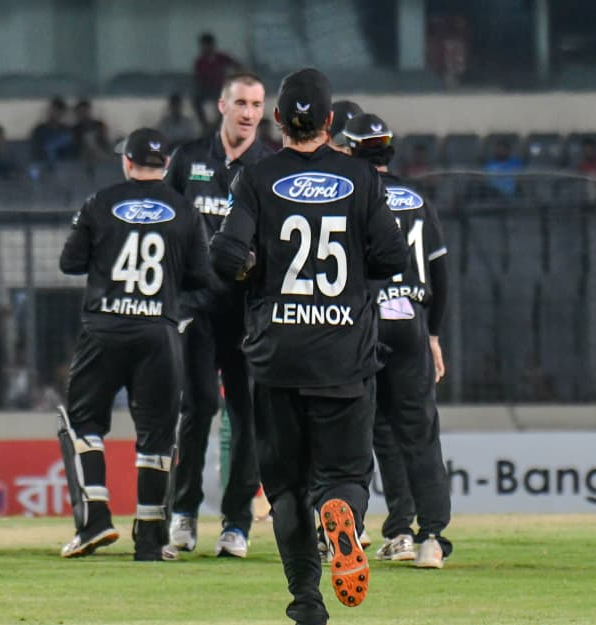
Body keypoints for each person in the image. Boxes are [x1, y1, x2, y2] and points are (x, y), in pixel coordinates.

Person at [210, 68, 408, 624]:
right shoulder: (363, 179)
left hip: (277, 357)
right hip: (344, 355)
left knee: (286, 489)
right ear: (329, 121)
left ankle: (305, 600)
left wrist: (256, 270)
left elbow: (224, 257)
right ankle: (339, 511)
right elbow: (393, 258)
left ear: (276, 120)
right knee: (344, 475)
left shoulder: (256, 178)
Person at [56, 127, 210, 562]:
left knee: (84, 421)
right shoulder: (184, 211)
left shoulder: (99, 203)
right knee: (157, 433)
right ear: (166, 166)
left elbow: (70, 262)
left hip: (104, 326)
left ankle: (95, 521)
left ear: (127, 162)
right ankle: (151, 539)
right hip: (158, 332)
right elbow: (201, 276)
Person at [165, 72, 271, 559]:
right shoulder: (187, 160)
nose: (250, 113)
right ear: (221, 106)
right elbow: (162, 228)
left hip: (247, 315)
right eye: (242, 103)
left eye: (257, 104)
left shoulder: (269, 165)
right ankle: (183, 513)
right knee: (200, 406)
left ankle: (237, 524)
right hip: (196, 311)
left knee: (247, 412)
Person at [343, 113, 454, 568]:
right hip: (411, 319)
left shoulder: (350, 194)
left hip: (364, 321)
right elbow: (441, 274)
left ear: (351, 150)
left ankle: (388, 529)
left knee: (367, 429)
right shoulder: (416, 199)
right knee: (419, 432)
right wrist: (433, 334)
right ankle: (429, 538)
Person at [191, 33, 239, 133]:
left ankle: (217, 125)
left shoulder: (220, 57)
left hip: (219, 88)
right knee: (196, 100)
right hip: (206, 88)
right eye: (204, 46)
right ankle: (205, 125)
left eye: (208, 46)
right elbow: (198, 79)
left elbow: (237, 65)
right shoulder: (200, 61)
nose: (206, 49)